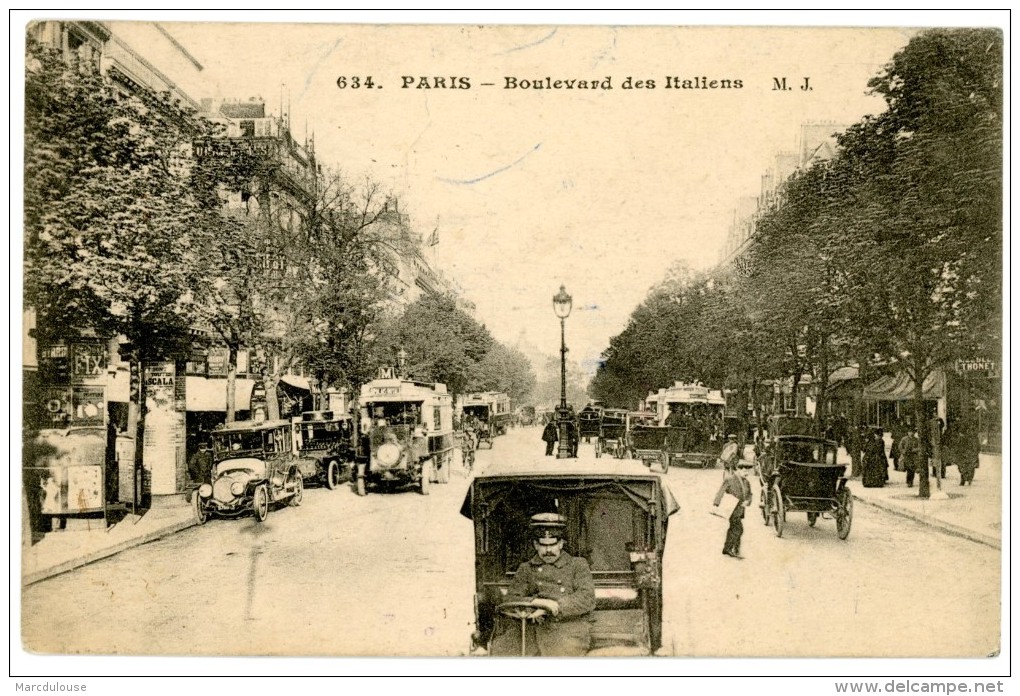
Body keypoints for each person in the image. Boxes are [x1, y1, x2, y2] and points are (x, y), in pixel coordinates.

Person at [489, 513, 596, 656]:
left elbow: (586, 598)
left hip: (567, 630)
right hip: (530, 629)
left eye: (552, 545)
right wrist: (536, 602)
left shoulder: (577, 565)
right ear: (535, 545)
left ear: (561, 544)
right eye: (543, 545)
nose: (548, 551)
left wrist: (554, 606)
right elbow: (510, 598)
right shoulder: (526, 568)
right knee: (500, 651)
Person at [712, 462, 753, 559]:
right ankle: (734, 549)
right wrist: (715, 505)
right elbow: (720, 492)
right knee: (738, 529)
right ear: (738, 470)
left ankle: (727, 548)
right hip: (731, 510)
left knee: (734, 529)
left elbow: (750, 495)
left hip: (740, 510)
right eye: (744, 470)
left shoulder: (746, 482)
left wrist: (748, 502)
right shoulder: (729, 479)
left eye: (747, 470)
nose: (746, 472)